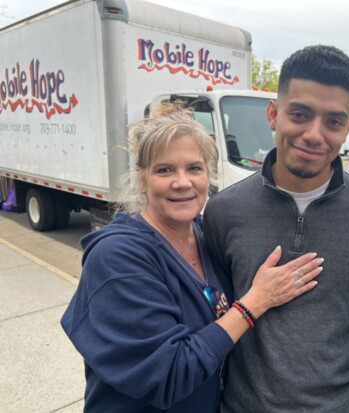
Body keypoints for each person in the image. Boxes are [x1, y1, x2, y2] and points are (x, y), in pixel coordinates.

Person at [60, 103, 323, 412]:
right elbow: (168, 375)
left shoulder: (204, 234)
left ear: (207, 175)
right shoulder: (117, 258)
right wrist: (256, 301)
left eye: (194, 168)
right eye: (164, 169)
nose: (182, 182)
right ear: (142, 179)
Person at [204, 45, 349, 412]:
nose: (314, 134)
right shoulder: (223, 212)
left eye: (333, 121)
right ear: (273, 114)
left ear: (348, 128)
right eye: (300, 114)